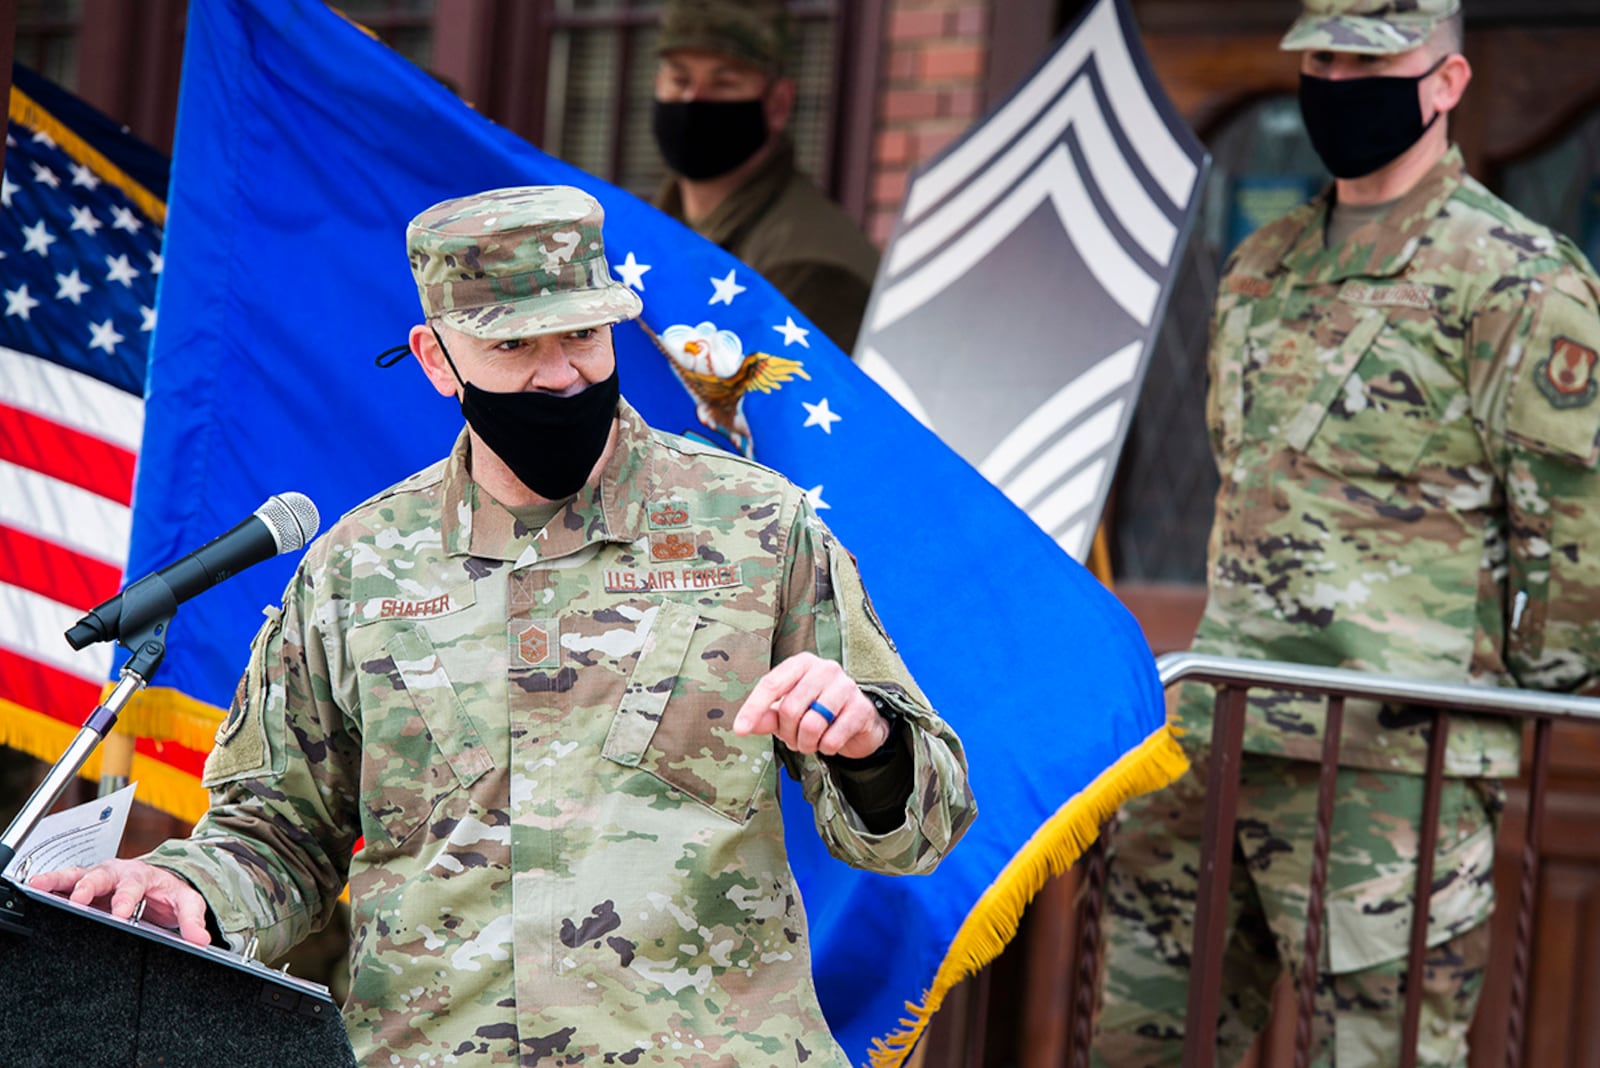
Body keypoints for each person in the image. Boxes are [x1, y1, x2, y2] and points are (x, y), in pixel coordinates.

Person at [31, 186, 976, 1066]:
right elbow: (278, 832)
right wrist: (188, 888)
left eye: (582, 339)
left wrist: (871, 747)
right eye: (515, 349)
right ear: (438, 359)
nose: (561, 375)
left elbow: (917, 831)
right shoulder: (358, 569)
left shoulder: (757, 527)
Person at [1094, 2, 1600, 1065]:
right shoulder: (1261, 264)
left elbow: (1574, 529)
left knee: (1381, 1053)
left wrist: (1514, 694)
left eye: (1369, 61)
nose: (1335, 81)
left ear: (1447, 82)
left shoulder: (1516, 277)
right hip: (1212, 744)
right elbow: (1242, 473)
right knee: (1141, 1046)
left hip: (1387, 767)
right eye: (1319, 58)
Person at [651, 0, 880, 354]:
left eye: (724, 83)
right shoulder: (657, 226)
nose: (693, 100)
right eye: (679, 79)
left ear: (778, 104)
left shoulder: (813, 268)